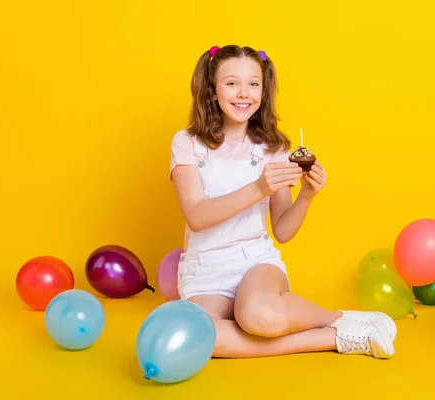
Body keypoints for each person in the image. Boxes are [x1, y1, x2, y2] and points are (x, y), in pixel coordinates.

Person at [169, 44, 396, 359]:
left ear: (263, 91)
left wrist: (307, 195)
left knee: (259, 315)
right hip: (205, 269)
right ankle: (337, 333)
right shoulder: (187, 143)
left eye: (254, 83)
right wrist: (259, 187)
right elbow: (196, 215)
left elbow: (283, 231)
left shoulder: (272, 147)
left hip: (255, 263)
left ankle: (337, 318)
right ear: (212, 91)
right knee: (201, 336)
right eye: (231, 83)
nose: (243, 93)